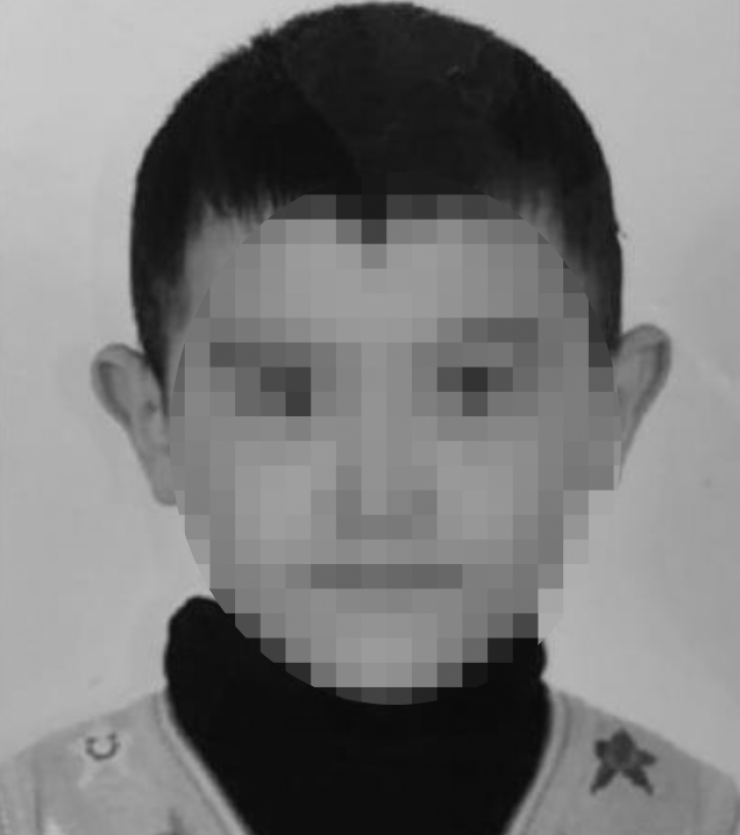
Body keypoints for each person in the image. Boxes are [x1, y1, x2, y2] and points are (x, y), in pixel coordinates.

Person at [1, 3, 738, 834]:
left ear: (610, 413)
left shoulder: (699, 820)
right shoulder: (37, 814)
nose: (382, 484)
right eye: (287, 392)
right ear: (154, 423)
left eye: (475, 387)